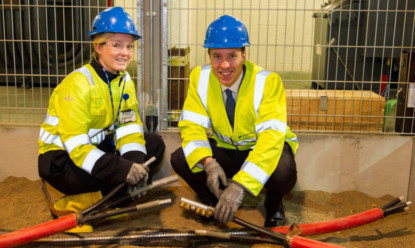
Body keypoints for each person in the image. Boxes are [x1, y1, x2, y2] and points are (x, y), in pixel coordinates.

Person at [37, 6, 165, 230]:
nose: (124, 53)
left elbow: (129, 128)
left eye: (129, 46)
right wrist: (122, 170)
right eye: (116, 45)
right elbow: (77, 146)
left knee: (153, 146)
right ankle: (82, 203)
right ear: (98, 47)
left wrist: (134, 163)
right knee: (124, 174)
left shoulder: (124, 80)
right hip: (62, 161)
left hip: (93, 150)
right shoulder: (77, 84)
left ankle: (101, 200)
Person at [171, 15, 298, 227]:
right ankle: (214, 203)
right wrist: (208, 163)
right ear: (209, 56)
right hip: (227, 149)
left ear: (244, 55)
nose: (224, 65)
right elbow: (192, 126)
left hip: (259, 150)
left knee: (283, 171)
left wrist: (240, 186)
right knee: (181, 158)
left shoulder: (268, 82)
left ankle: (274, 205)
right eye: (216, 56)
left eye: (232, 56)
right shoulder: (199, 78)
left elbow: (270, 139)